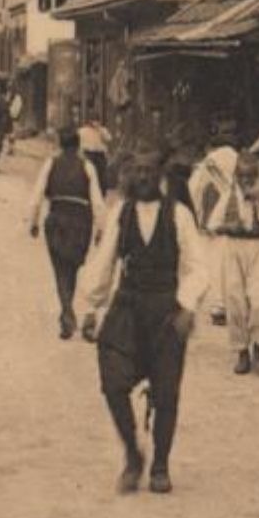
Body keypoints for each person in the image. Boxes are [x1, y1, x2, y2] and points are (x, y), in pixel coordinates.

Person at [80, 151, 209, 494]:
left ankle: (161, 466)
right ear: (128, 175)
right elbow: (104, 260)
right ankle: (133, 455)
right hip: (128, 306)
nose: (142, 178)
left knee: (167, 391)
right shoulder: (120, 213)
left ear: (160, 175)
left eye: (148, 171)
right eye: (136, 172)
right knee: (112, 381)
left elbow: (198, 266)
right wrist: (92, 307)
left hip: (166, 308)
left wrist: (186, 306)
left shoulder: (179, 215)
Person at [199, 151, 259, 375]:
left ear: (256, 176)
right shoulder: (228, 196)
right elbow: (212, 225)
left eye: (250, 176)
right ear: (236, 176)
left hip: (258, 249)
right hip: (234, 249)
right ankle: (241, 351)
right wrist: (229, 227)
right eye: (242, 176)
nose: (246, 181)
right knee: (235, 299)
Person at [27, 127, 105, 340]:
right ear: (78, 145)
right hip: (81, 223)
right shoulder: (87, 167)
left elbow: (37, 195)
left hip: (57, 220)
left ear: (60, 144)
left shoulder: (51, 163)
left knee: (60, 268)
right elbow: (97, 201)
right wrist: (100, 229)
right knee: (72, 266)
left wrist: (33, 222)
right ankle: (67, 312)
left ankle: (67, 311)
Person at [187, 128, 239, 327]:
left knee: (213, 261)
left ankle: (218, 306)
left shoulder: (210, 161)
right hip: (233, 214)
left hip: (212, 214)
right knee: (231, 260)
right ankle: (232, 304)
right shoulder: (237, 158)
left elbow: (195, 187)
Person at [78, 116, 112, 190]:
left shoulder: (102, 130)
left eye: (97, 121)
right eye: (94, 121)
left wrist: (100, 131)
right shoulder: (83, 130)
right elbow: (79, 141)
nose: (95, 123)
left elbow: (109, 139)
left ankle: (102, 189)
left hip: (99, 154)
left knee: (101, 173)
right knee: (88, 172)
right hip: (88, 153)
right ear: (89, 121)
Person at [6, 85, 24, 155]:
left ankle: (12, 149)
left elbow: (17, 109)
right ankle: (10, 148)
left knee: (13, 134)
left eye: (11, 90)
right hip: (9, 118)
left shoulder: (17, 98)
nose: (10, 92)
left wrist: (12, 113)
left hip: (14, 118)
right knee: (9, 134)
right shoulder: (8, 96)